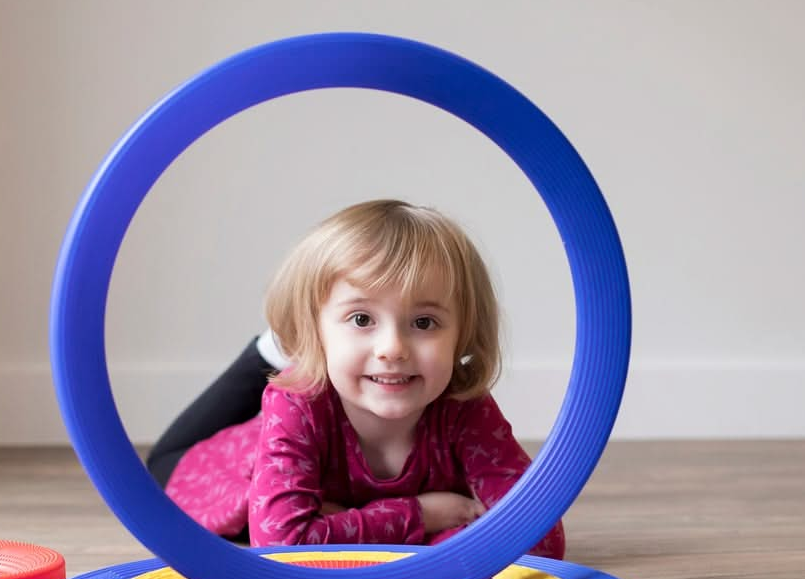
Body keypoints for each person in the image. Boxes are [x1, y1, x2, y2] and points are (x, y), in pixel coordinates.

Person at [147, 199, 565, 557]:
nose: (393, 347)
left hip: (319, 451)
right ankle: (280, 345)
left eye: (424, 322)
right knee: (159, 466)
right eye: (362, 318)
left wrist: (345, 523)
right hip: (218, 466)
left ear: (463, 335)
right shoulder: (297, 403)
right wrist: (424, 515)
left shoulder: (463, 405)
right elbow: (283, 545)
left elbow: (539, 538)